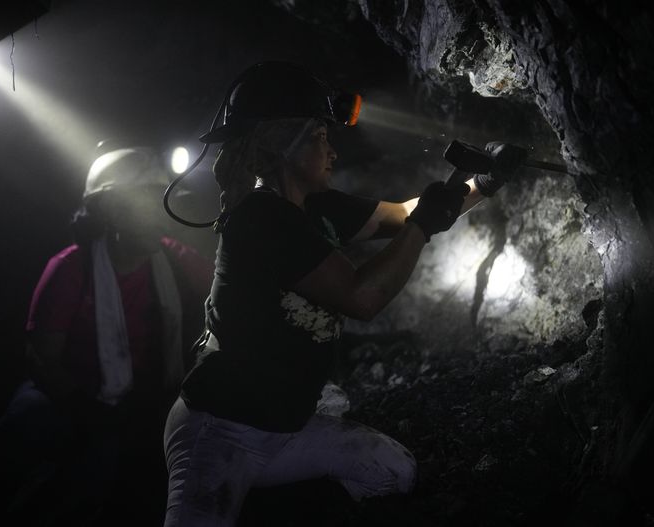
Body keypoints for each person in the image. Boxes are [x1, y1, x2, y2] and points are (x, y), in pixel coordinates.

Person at [163, 61, 525, 526]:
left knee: (392, 474)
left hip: (285, 424)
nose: (332, 150)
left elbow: (405, 214)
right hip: (221, 429)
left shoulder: (315, 207)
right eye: (319, 137)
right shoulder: (260, 220)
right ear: (283, 144)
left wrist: (480, 184)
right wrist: (423, 224)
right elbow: (362, 298)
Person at [0, 144, 214, 526]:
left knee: (108, 476)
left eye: (160, 203)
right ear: (110, 211)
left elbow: (228, 287)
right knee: (25, 422)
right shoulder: (70, 268)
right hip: (69, 394)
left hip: (139, 399)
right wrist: (92, 414)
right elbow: (42, 360)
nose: (159, 217)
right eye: (144, 205)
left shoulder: (175, 260)